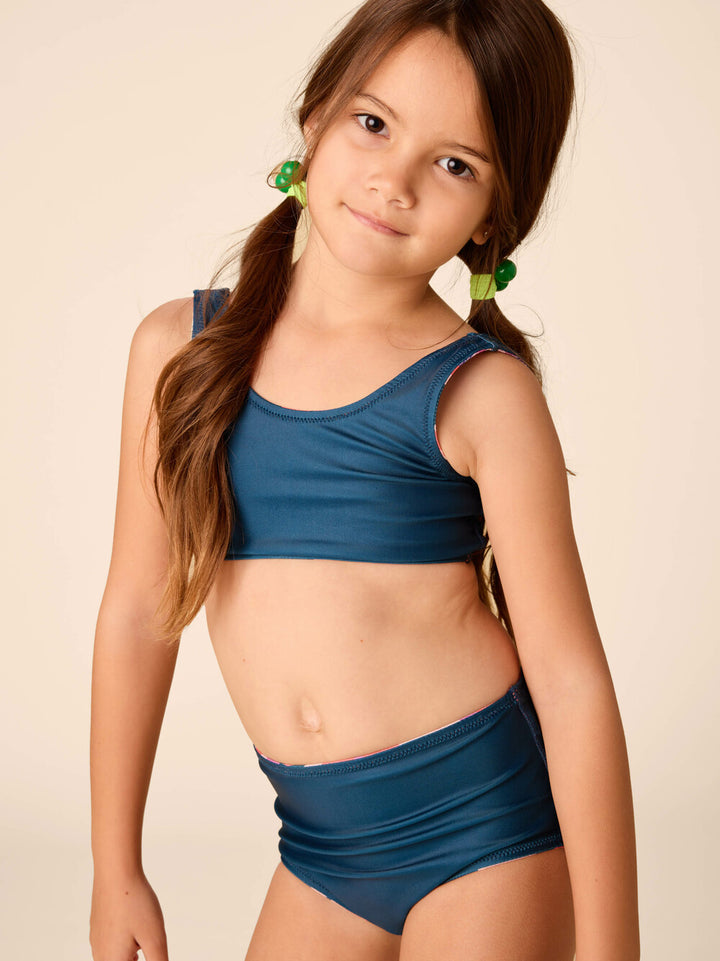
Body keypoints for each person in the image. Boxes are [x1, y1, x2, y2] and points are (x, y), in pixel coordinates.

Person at [89, 1, 640, 959]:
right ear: (316, 117)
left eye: (455, 164)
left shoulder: (481, 394)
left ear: (494, 216)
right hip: (320, 849)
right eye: (374, 123)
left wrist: (614, 946)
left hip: (487, 832)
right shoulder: (179, 353)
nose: (395, 181)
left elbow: (571, 681)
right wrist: (114, 864)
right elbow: (138, 613)